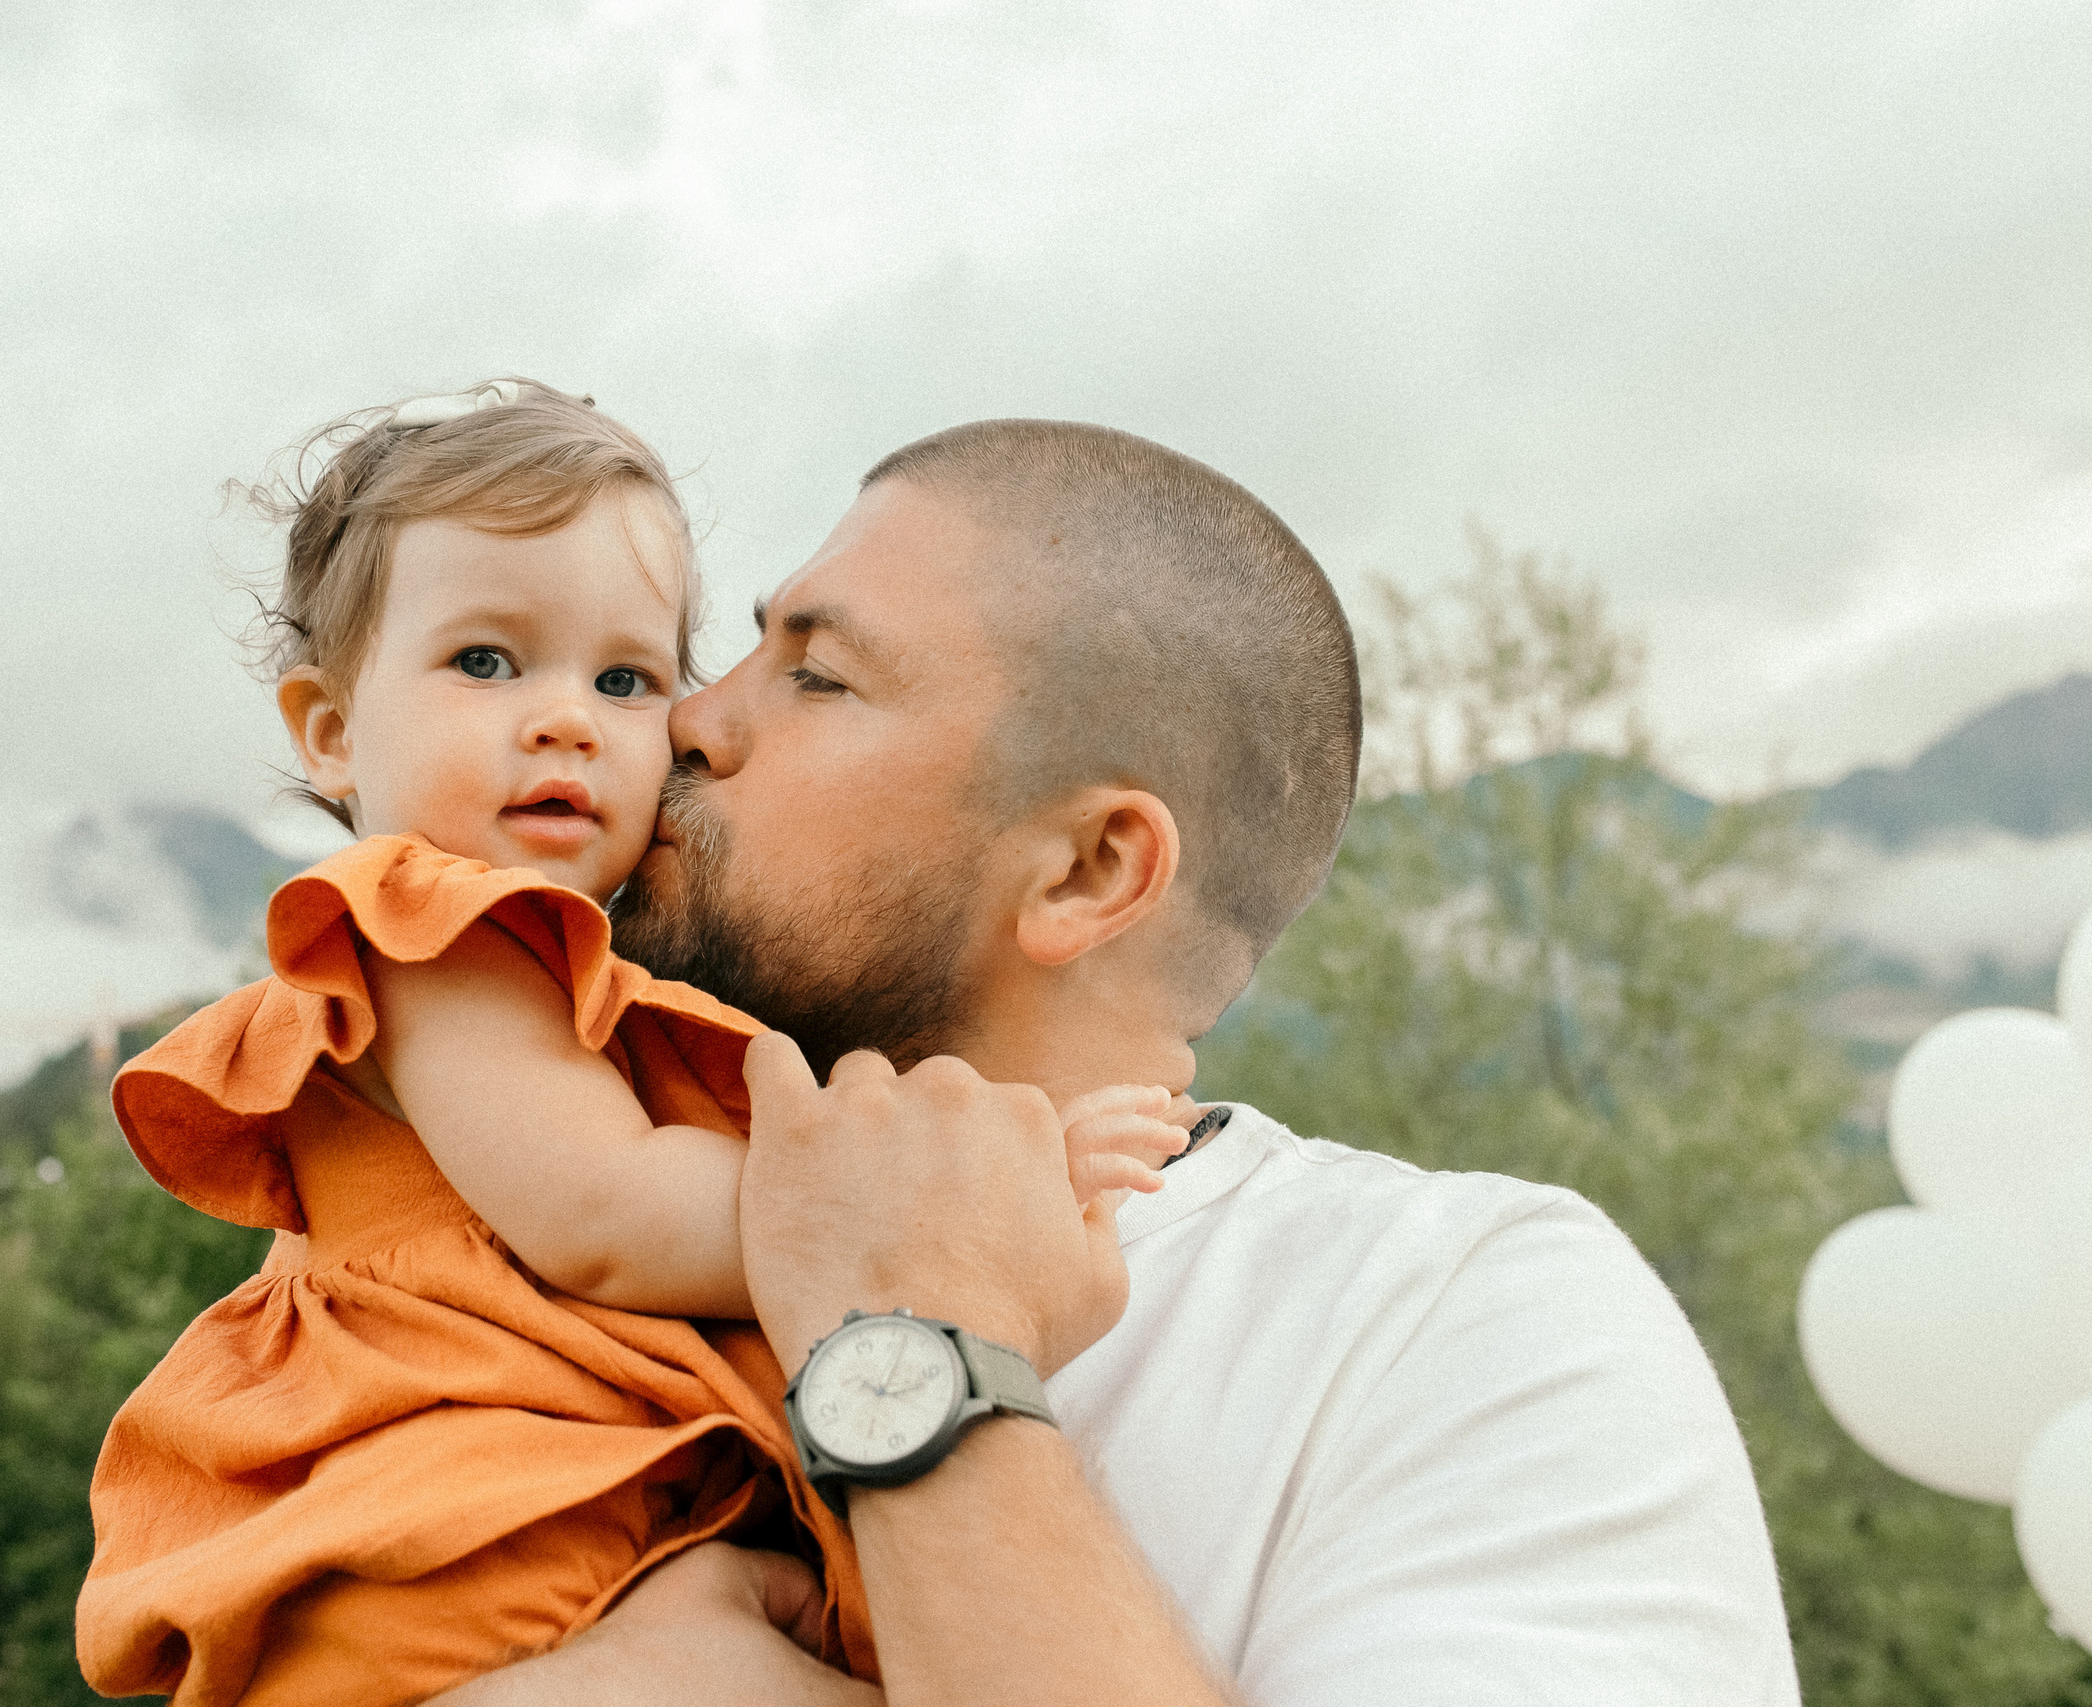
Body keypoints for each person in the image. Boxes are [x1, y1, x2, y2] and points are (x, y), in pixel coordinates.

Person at [439, 418, 1801, 1705]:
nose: (686, 718)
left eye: (816, 674)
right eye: (738, 654)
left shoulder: (1454, 1316)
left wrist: (915, 1337)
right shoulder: (490, 1215)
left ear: (1089, 872)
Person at [73, 383, 1188, 1706]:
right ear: (327, 732)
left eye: (626, 678)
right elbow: (601, 1209)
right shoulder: (443, 936)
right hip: (465, 1543)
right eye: (485, 663)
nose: (566, 719)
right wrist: (974, 1182)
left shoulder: (587, 973)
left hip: (548, 1533)